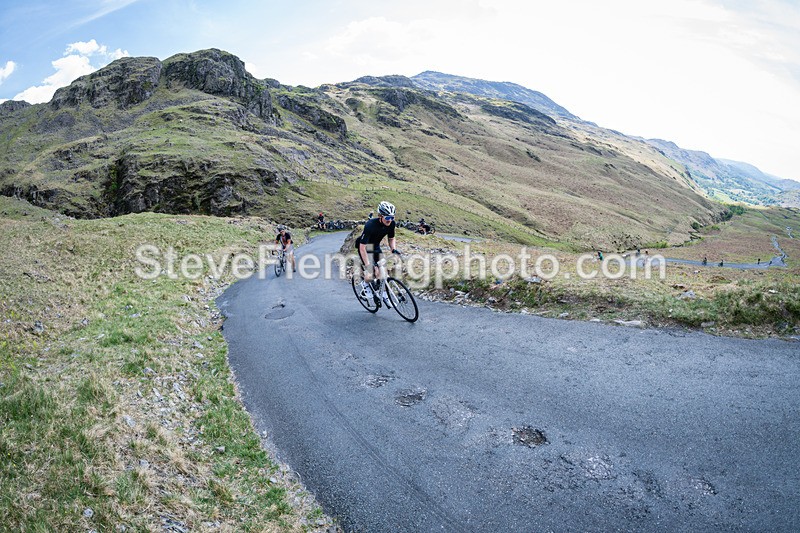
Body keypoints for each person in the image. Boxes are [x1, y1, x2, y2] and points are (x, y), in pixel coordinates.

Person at [356, 201, 401, 307]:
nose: (390, 220)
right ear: (380, 216)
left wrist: (393, 249)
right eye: (387, 218)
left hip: (376, 247)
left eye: (392, 217)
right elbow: (362, 248)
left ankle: (384, 295)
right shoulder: (370, 225)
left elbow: (391, 238)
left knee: (383, 272)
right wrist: (368, 265)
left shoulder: (392, 224)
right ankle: (365, 284)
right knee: (372, 272)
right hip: (365, 248)